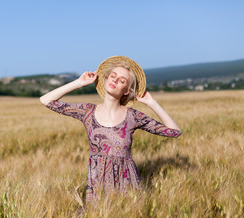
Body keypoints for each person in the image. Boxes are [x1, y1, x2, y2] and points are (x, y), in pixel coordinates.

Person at [39, 56, 182, 204]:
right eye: (112, 76)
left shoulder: (133, 116)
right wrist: (79, 83)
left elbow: (174, 131)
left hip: (128, 188)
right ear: (106, 79)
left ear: (126, 91)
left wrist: (152, 103)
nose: (115, 80)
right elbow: (46, 100)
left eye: (122, 81)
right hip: (97, 187)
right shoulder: (87, 111)